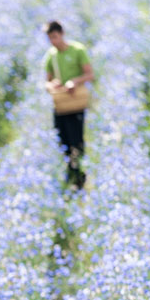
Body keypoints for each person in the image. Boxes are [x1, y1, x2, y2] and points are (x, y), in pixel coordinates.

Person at [44, 21, 94, 189]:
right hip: (60, 104)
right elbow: (47, 82)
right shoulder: (51, 55)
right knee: (62, 140)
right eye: (50, 38)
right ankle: (70, 172)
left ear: (62, 34)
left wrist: (74, 81)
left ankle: (79, 175)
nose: (53, 41)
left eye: (55, 37)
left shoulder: (78, 50)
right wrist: (54, 85)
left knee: (76, 141)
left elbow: (89, 74)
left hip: (76, 103)